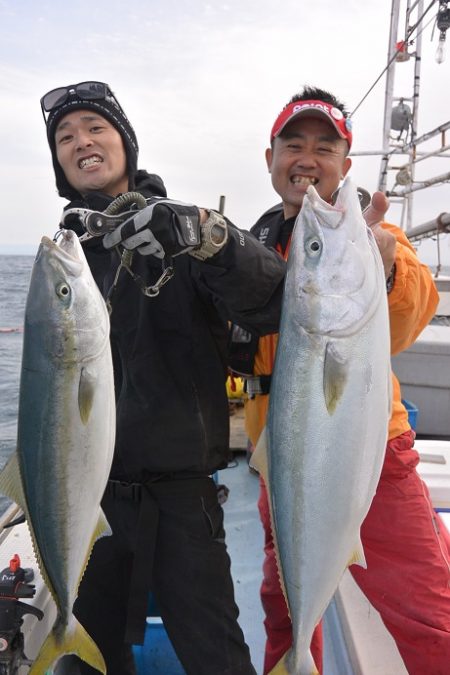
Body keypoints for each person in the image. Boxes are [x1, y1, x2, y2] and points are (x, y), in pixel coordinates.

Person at [40, 80, 288, 675]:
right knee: (87, 665)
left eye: (96, 128)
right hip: (88, 498)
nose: (82, 143)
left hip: (183, 499)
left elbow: (272, 302)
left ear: (125, 143)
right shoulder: (64, 258)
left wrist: (213, 236)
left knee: (217, 659)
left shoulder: (185, 234)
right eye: (65, 137)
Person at [231, 86, 450, 674]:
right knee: (285, 611)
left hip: (372, 453)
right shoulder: (248, 253)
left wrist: (386, 266)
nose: (308, 158)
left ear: (346, 166)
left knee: (430, 612)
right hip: (283, 462)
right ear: (271, 157)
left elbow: (406, 321)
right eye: (293, 144)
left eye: (325, 147)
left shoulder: (374, 237)